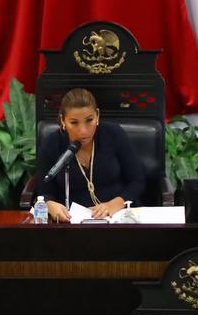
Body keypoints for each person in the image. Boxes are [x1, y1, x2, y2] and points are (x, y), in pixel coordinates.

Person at [38, 88, 144, 222]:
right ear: (63, 120)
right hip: (73, 221)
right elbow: (44, 191)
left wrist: (117, 203)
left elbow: (137, 181)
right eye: (74, 122)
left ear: (97, 115)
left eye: (89, 120)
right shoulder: (52, 143)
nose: (83, 131)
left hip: (117, 217)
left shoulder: (114, 134)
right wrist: (49, 204)